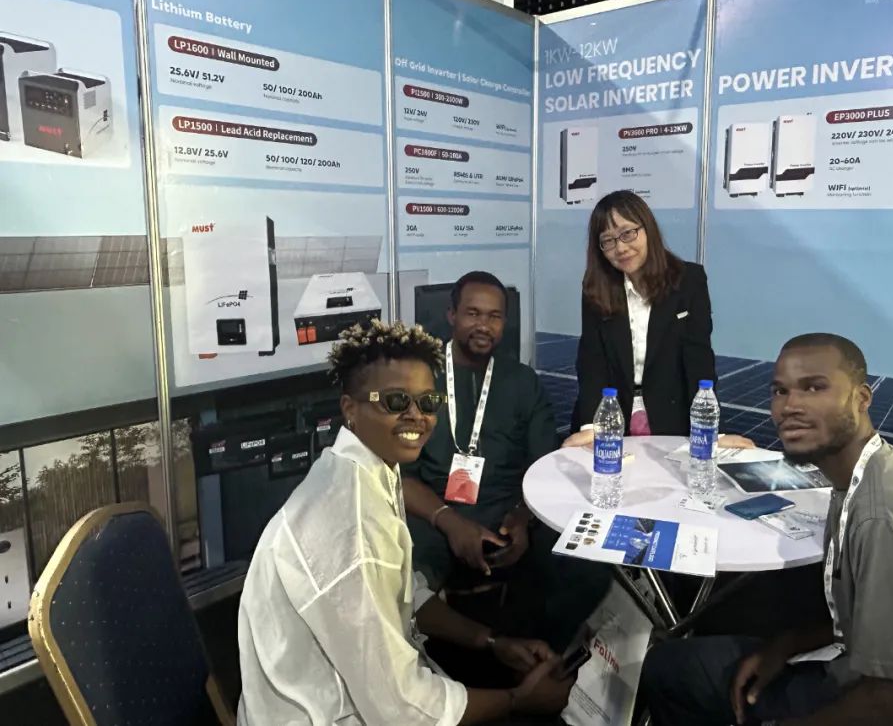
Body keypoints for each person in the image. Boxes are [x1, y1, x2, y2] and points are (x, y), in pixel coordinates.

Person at [640, 333, 893, 726]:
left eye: (814, 387)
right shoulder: (870, 471)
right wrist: (786, 645)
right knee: (679, 662)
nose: (790, 406)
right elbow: (866, 621)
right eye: (780, 391)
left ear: (862, 398)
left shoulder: (886, 519)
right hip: (861, 671)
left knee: (669, 672)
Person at [237, 320, 574, 725]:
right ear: (350, 410)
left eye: (428, 401)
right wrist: (519, 699)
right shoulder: (351, 529)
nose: (417, 416)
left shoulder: (365, 469)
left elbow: (404, 595)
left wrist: (492, 641)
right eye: (396, 401)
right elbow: (403, 710)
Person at [403, 271, 610, 652]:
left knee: (589, 569)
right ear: (451, 315)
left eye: (494, 316)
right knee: (400, 576)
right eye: (473, 314)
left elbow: (543, 465)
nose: (484, 325)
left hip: (507, 514)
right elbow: (400, 478)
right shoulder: (418, 379)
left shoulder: (522, 382)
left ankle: (538, 659)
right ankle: (430, 669)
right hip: (435, 514)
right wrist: (450, 523)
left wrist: (522, 519)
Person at [564, 190, 752, 447]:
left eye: (628, 233)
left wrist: (713, 432)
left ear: (647, 228)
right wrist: (591, 425)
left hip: (672, 417)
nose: (621, 248)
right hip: (610, 415)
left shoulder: (688, 280)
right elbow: (591, 361)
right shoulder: (596, 288)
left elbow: (699, 360)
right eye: (608, 240)